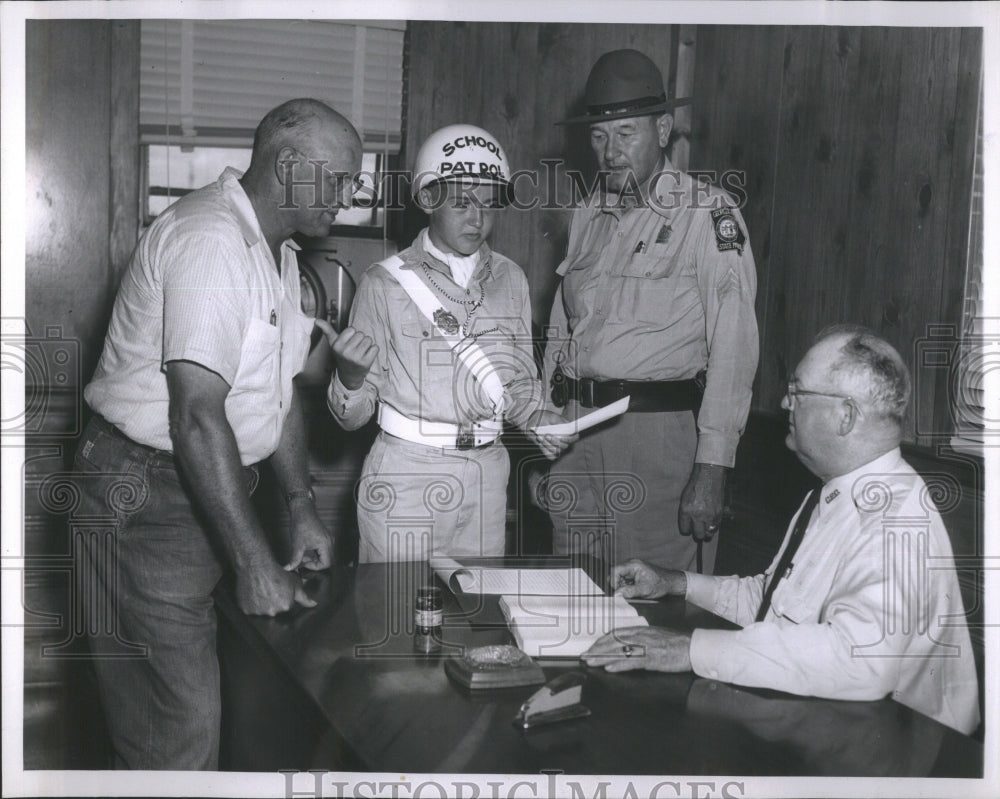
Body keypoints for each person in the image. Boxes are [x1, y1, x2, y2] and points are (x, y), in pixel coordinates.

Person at [74, 98, 361, 769]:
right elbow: (197, 415)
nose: (350, 196)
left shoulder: (277, 253)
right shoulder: (210, 240)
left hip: (204, 487)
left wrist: (300, 506)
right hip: (144, 496)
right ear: (288, 166)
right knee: (176, 734)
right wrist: (255, 562)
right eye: (340, 179)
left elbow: (279, 394)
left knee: (215, 717)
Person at [583, 326, 981, 735]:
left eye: (799, 391)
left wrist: (690, 648)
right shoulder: (835, 492)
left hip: (901, 753)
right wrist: (677, 583)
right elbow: (772, 601)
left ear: (846, 416)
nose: (784, 402)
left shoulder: (897, 519)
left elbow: (861, 660)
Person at [541, 48, 759, 572]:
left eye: (626, 134)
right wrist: (546, 427)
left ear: (663, 131)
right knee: (570, 597)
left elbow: (734, 341)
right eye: (598, 136)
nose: (610, 152)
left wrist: (713, 464)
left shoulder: (707, 214)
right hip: (575, 427)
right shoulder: (588, 214)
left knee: (653, 606)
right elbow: (561, 329)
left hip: (654, 436)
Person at [318, 124, 574, 562]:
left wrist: (539, 418)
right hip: (407, 475)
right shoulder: (385, 284)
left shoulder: (510, 278)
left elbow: (517, 385)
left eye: (488, 205)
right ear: (427, 200)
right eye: (461, 203)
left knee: (477, 615)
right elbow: (352, 419)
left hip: (488, 475)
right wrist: (350, 376)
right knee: (394, 614)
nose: (478, 219)